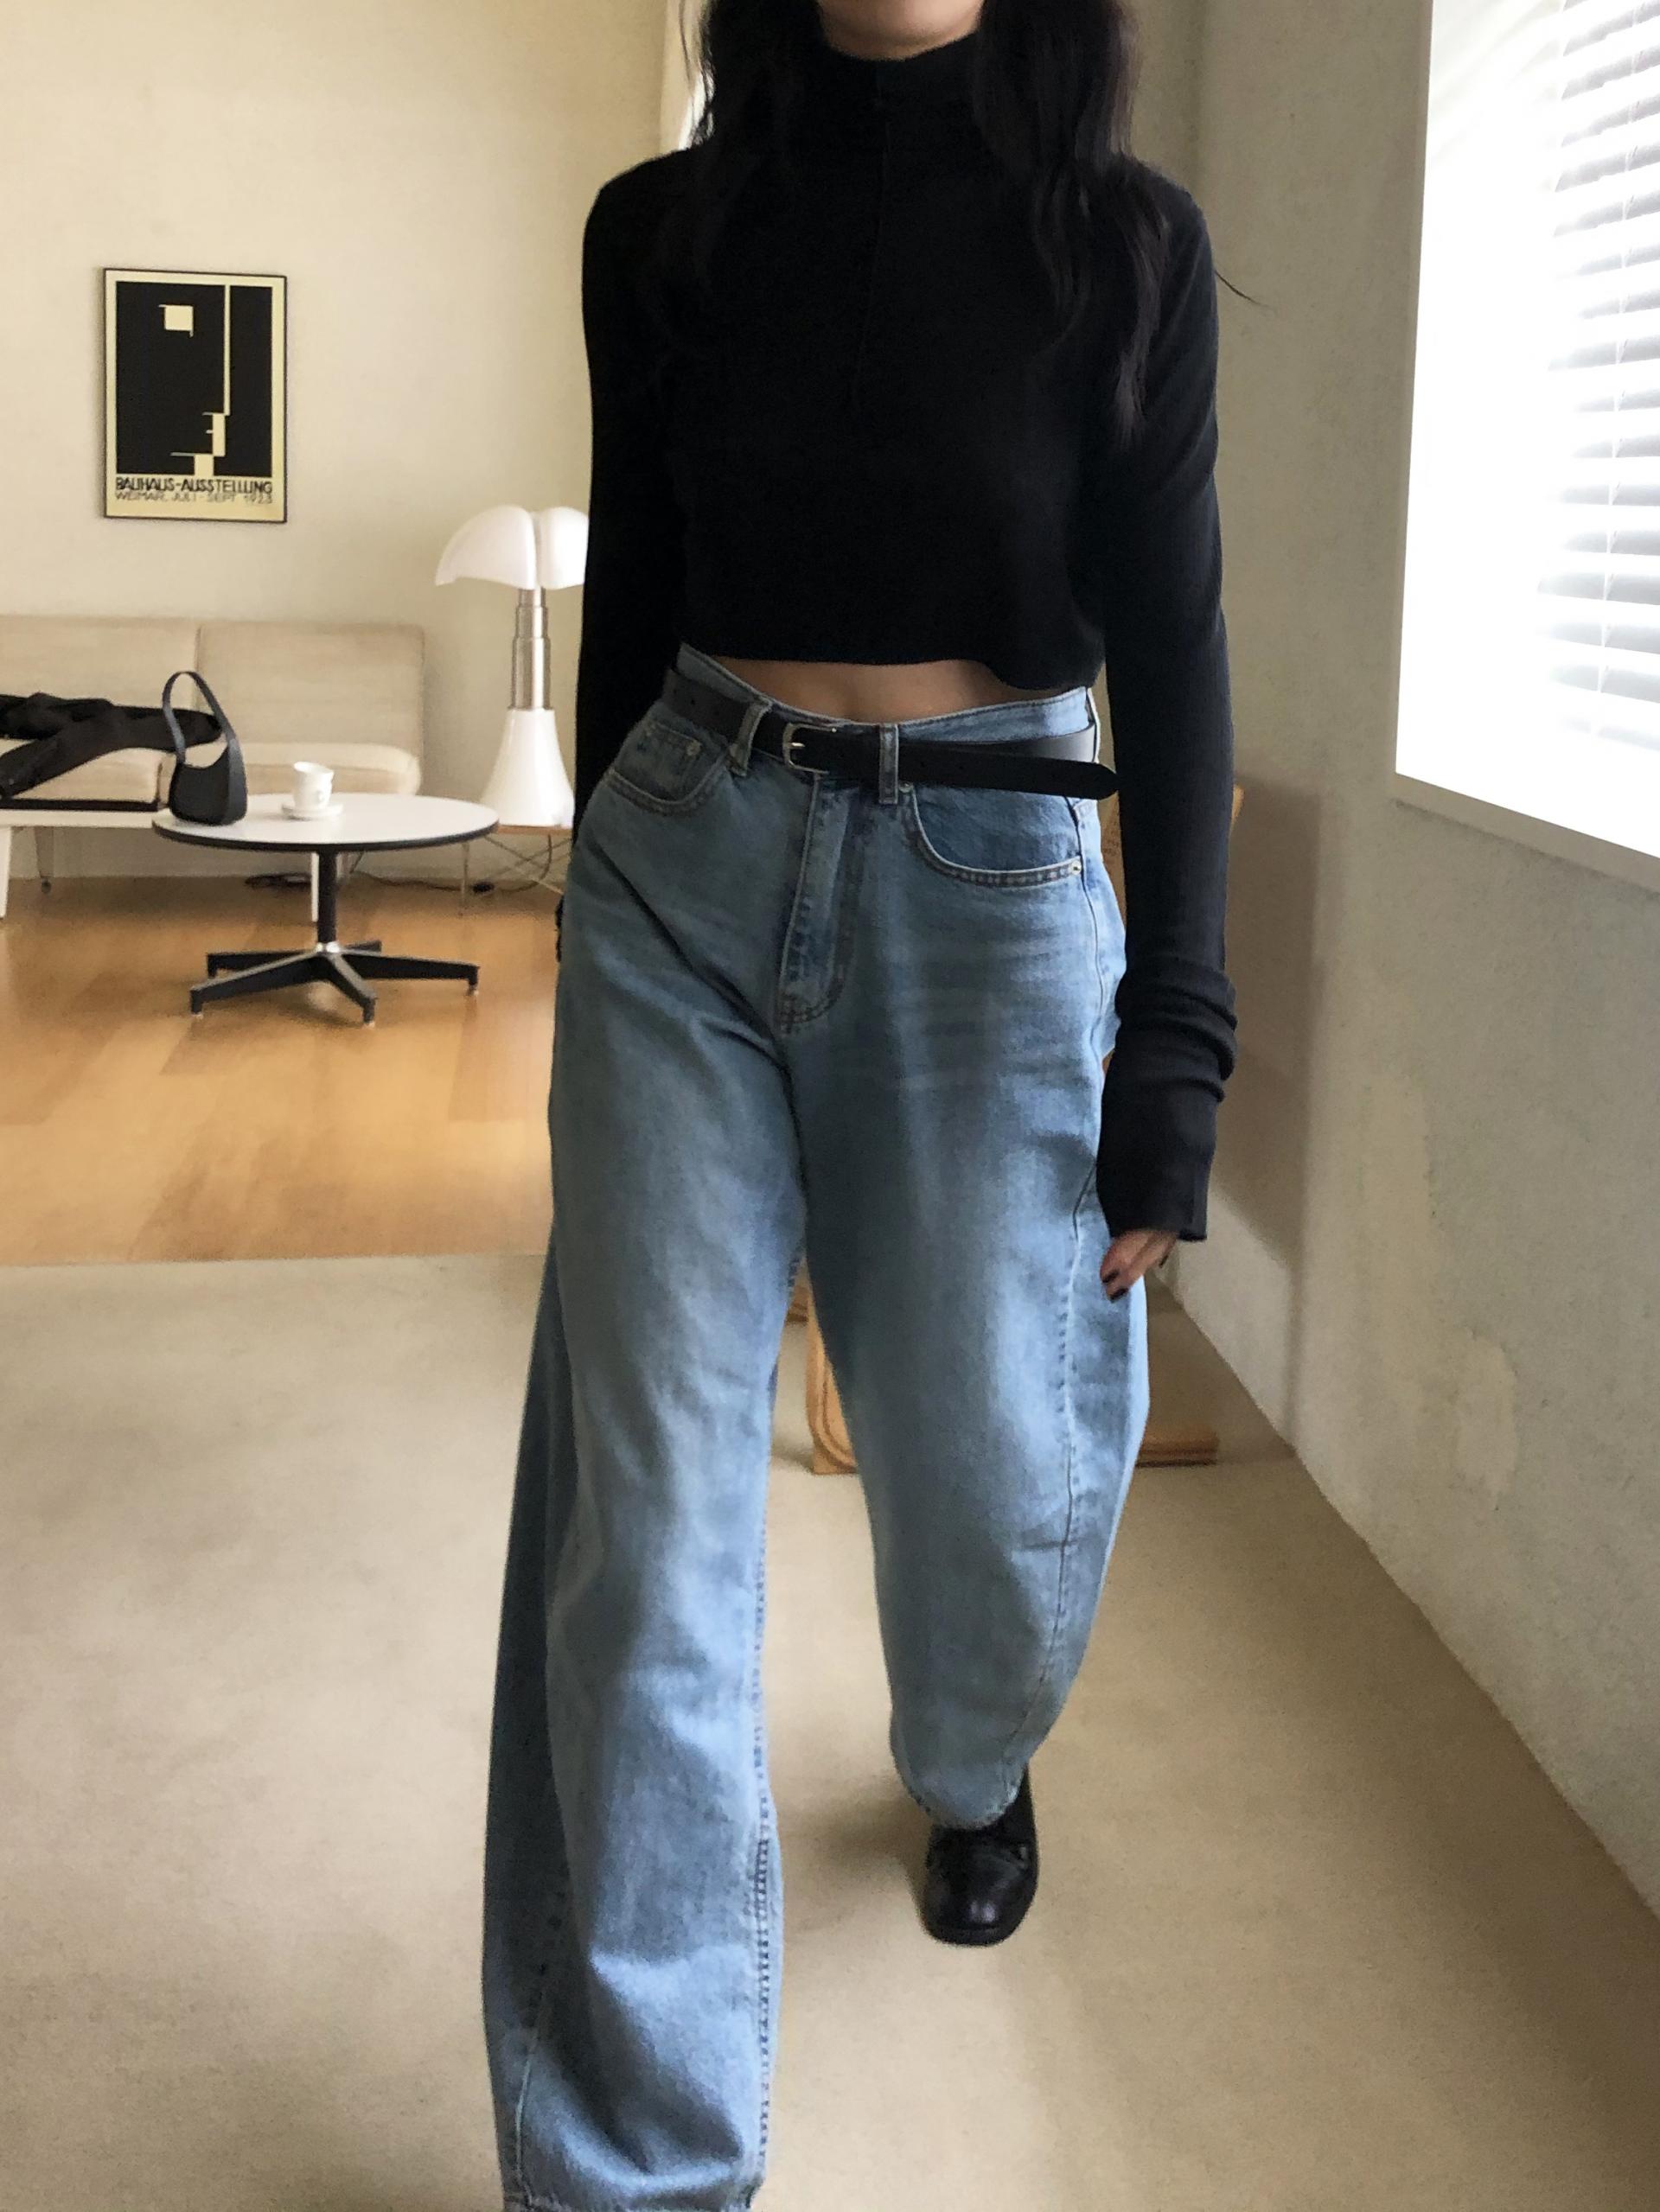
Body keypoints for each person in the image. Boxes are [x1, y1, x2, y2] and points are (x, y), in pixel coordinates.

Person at [482, 0, 1239, 2204]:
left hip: (997, 885)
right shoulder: (662, 233)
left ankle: (970, 1756)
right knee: (646, 1549)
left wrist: (1175, 1040)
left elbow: (1178, 650)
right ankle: (640, 2166)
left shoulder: (1123, 248)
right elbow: (641, 593)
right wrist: (588, 901)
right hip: (683, 865)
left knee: (999, 1472)